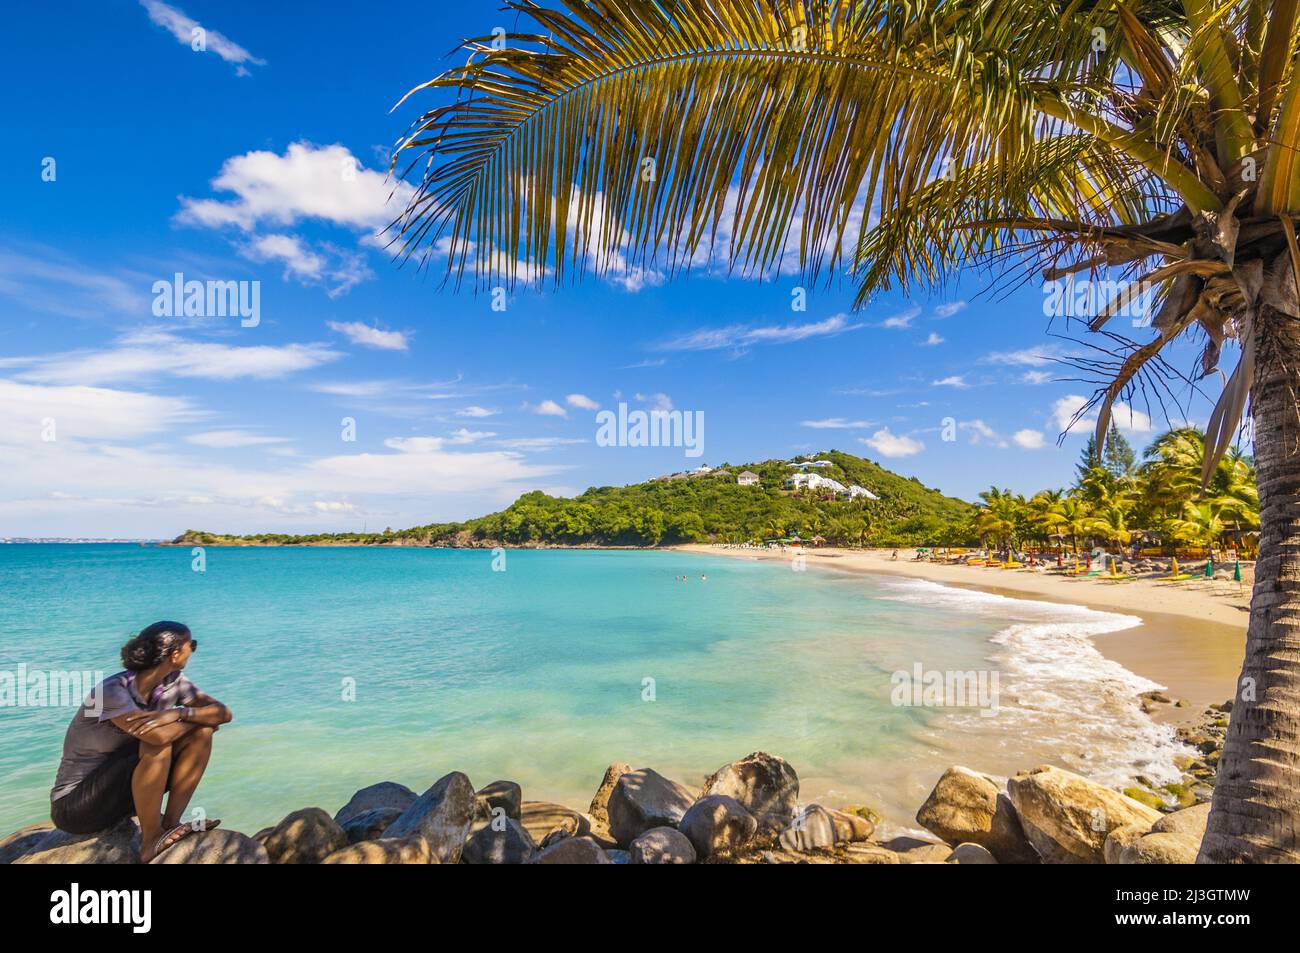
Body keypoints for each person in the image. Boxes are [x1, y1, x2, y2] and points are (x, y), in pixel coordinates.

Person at [49, 621, 233, 862]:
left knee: (202, 735)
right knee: (162, 742)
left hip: (121, 798)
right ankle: (150, 842)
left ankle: (170, 823)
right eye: (192, 645)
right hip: (75, 807)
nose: (193, 650)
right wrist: (201, 720)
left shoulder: (174, 682)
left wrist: (178, 713)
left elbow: (223, 712)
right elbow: (157, 737)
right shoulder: (113, 691)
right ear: (176, 653)